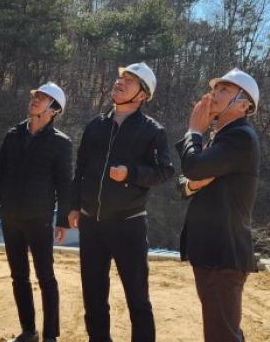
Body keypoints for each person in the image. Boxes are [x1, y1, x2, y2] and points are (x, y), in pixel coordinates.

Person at [67, 63, 174, 342]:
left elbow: (165, 171)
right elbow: (80, 168)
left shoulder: (153, 131)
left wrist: (131, 174)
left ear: (142, 95)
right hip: (92, 224)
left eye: (130, 80)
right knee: (93, 296)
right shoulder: (95, 126)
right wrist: (74, 205)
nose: (120, 82)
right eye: (121, 77)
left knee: (137, 299)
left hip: (129, 225)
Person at [0, 82, 73, 342]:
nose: (35, 99)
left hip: (39, 218)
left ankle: (50, 336)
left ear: (53, 109)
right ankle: (29, 332)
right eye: (36, 95)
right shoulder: (13, 135)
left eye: (42, 98)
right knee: (19, 276)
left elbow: (65, 184)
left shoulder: (60, 143)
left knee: (46, 277)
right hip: (10, 216)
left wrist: (62, 220)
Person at [175, 68, 261, 342]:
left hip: (223, 253)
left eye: (224, 90)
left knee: (221, 334)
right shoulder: (222, 136)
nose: (214, 94)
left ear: (243, 105)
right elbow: (187, 179)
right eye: (215, 88)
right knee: (223, 331)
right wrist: (192, 184)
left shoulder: (240, 137)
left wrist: (193, 131)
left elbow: (193, 166)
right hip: (215, 252)